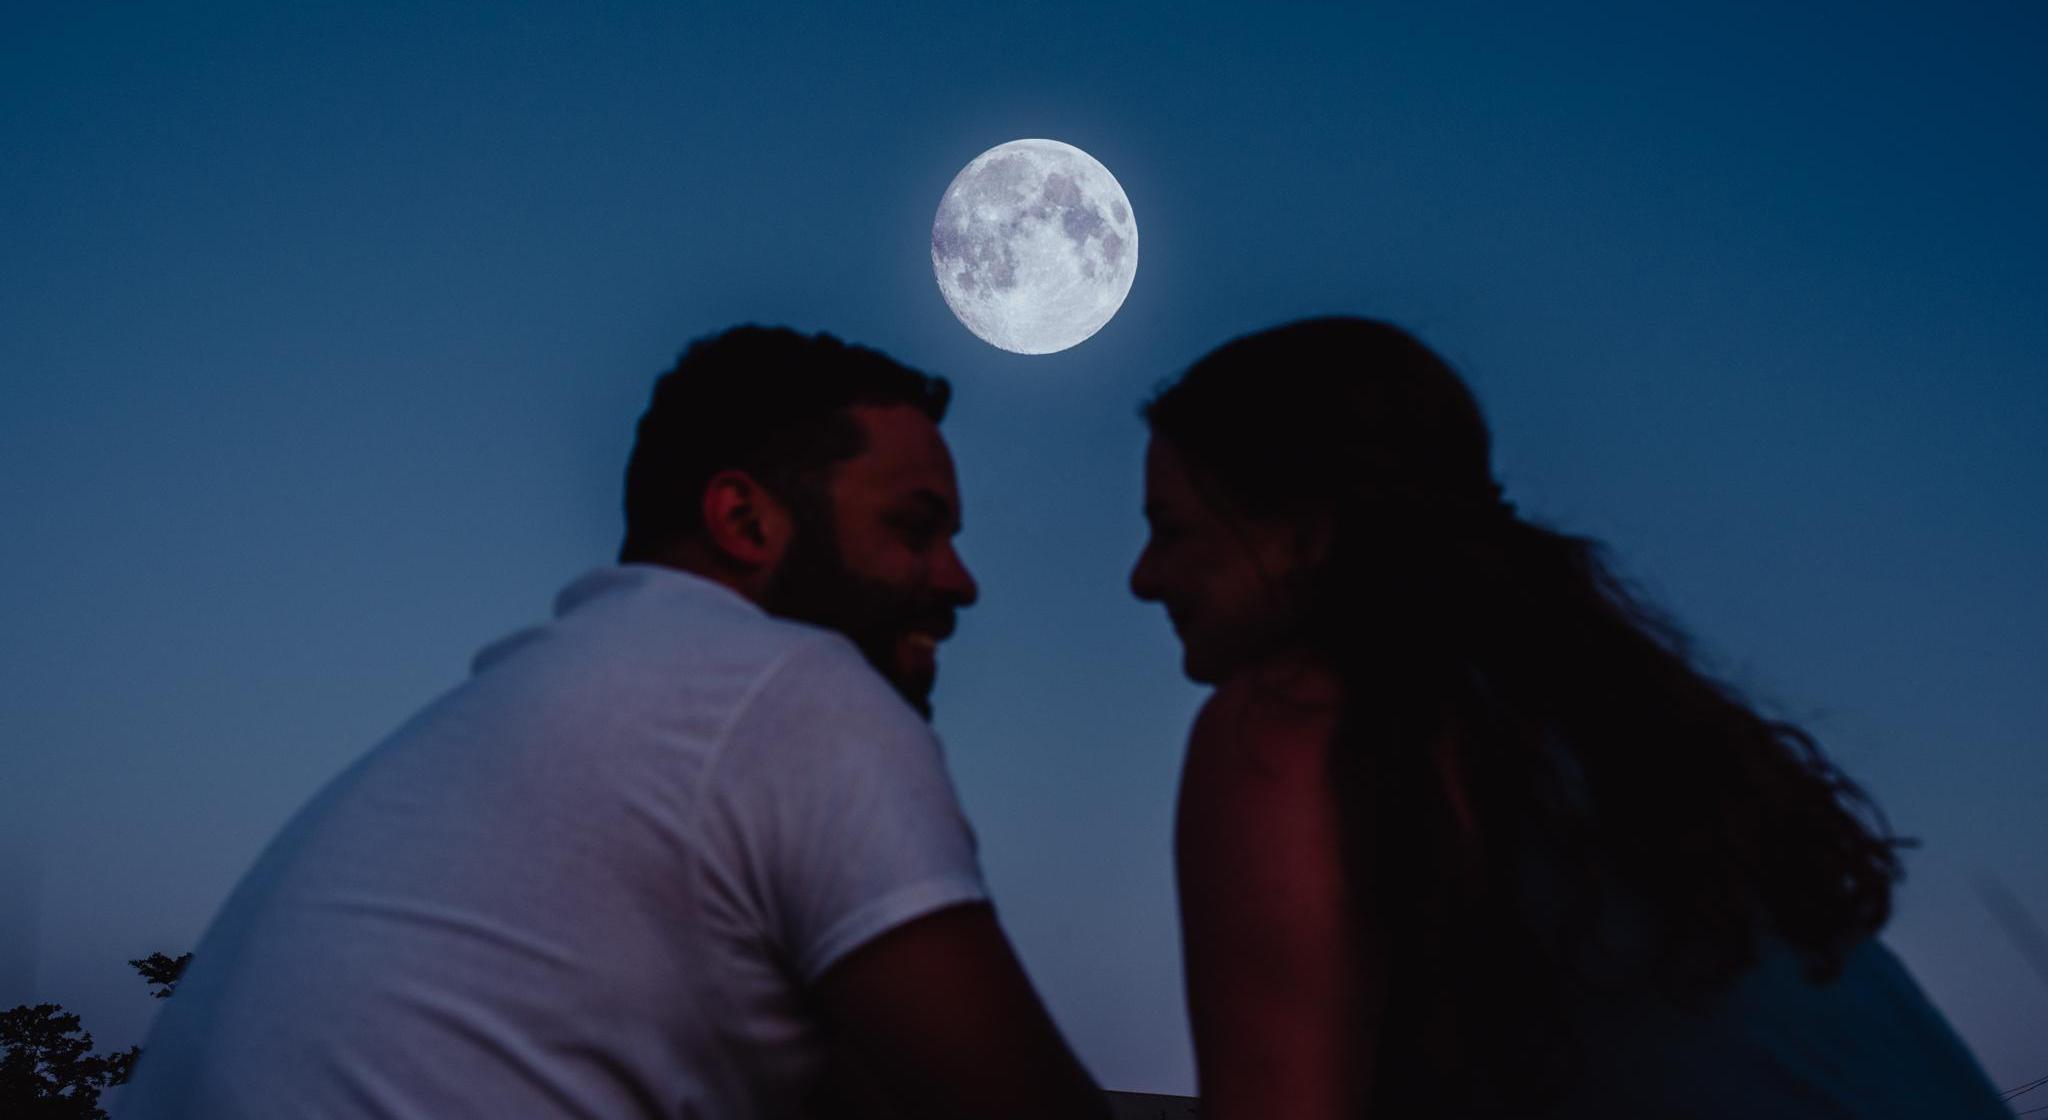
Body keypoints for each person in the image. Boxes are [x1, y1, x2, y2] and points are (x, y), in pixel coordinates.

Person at [121, 326, 1109, 1119]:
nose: (960, 581)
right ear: (746, 521)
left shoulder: (517, 721)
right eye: (915, 527)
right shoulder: (790, 689)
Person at [1128, 317, 2009, 1119]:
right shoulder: (1622, 739)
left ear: (1305, 532)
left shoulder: (1289, 726)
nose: (1144, 577)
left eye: (1170, 529)